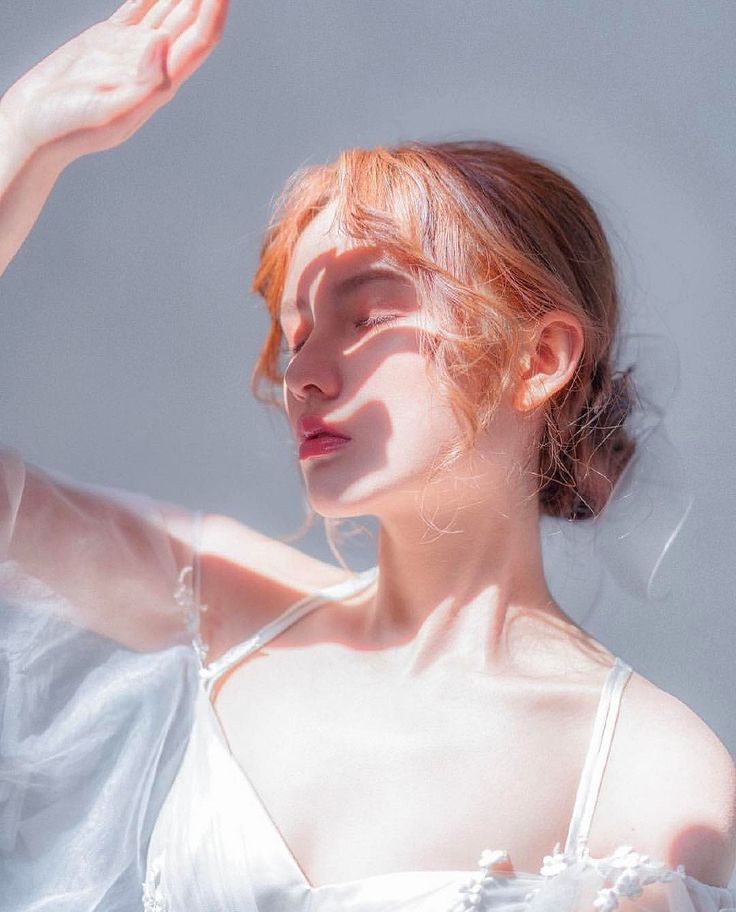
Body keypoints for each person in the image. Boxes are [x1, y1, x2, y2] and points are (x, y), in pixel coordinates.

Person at [0, 2, 733, 911]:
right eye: (294, 333)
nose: (302, 374)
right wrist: (22, 136)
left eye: (367, 317)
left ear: (537, 359)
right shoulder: (215, 606)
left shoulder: (648, 771)